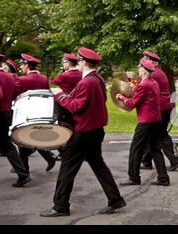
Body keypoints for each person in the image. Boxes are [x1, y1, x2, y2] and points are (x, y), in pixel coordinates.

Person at [40, 47, 126, 217]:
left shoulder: (87, 82)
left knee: (67, 167)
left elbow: (76, 106)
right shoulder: (98, 79)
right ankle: (115, 200)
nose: (77, 64)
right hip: (95, 130)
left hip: (84, 131)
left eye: (79, 61)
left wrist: (60, 95)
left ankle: (60, 206)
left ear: (84, 62)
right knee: (98, 165)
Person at [117, 58, 170, 186]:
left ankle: (134, 178)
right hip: (156, 120)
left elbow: (132, 103)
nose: (138, 71)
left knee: (135, 149)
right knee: (155, 149)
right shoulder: (153, 83)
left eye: (140, 69)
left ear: (144, 72)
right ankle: (163, 178)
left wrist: (121, 97)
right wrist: (134, 87)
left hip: (146, 122)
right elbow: (144, 94)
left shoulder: (144, 85)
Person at [14, 54, 57, 173]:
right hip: (41, 112)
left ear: (27, 65)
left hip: (26, 114)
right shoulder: (43, 78)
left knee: (22, 140)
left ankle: (24, 171)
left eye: (22, 65)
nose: (21, 68)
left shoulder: (21, 79)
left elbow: (15, 95)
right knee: (34, 137)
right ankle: (49, 157)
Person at [140, 51, 178, 171]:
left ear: (152, 62)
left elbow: (144, 90)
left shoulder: (153, 74)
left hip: (160, 109)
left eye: (146, 61)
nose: (143, 63)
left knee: (161, 135)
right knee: (152, 135)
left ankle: (175, 160)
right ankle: (146, 161)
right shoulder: (160, 72)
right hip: (164, 108)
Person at [0, 54, 31, 187]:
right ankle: (23, 173)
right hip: (6, 112)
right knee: (7, 145)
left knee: (7, 145)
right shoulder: (10, 77)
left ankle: (23, 174)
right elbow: (13, 94)